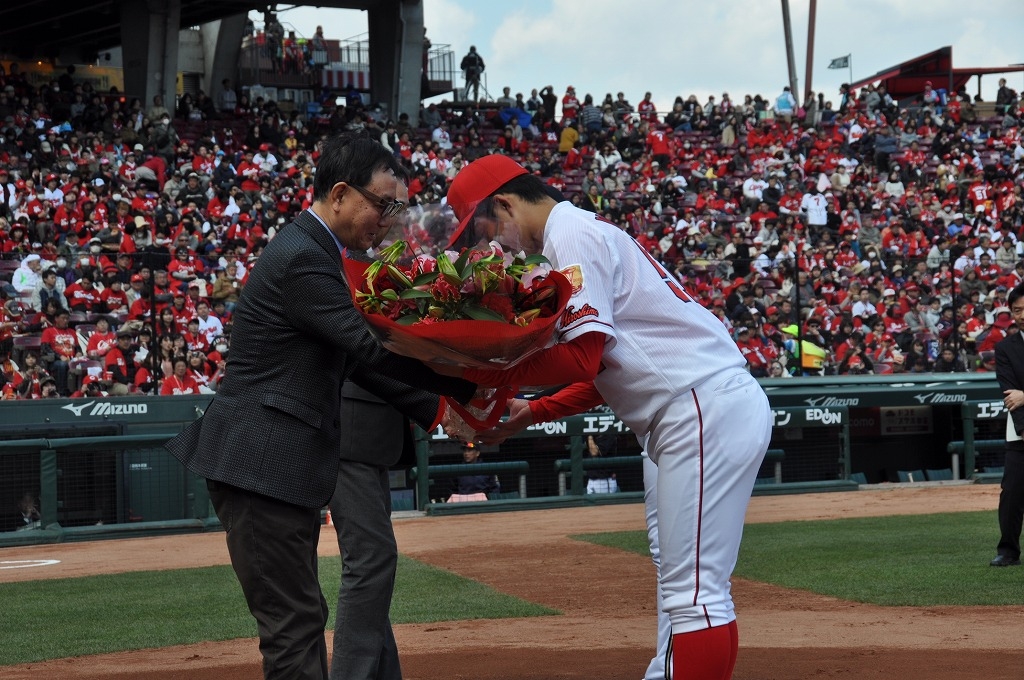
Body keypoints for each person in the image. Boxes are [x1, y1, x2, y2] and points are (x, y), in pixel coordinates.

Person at [444, 154, 772, 680]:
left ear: (504, 203)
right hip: (683, 410)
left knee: (696, 594)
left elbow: (582, 356)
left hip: (701, 405)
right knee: (681, 582)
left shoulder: (569, 234)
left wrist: (488, 374)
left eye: (484, 229)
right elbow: (608, 370)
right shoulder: (572, 235)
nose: (490, 246)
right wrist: (528, 413)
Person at [165, 135, 475, 680]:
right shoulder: (305, 258)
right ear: (338, 193)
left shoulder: (317, 251)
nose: (388, 218)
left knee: (298, 622)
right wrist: (475, 383)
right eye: (383, 204)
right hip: (260, 465)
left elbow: (359, 366)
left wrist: (439, 410)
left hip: (277, 469)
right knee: (294, 629)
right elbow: (371, 350)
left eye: (397, 206)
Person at [991, 284, 1024, 567]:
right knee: (1012, 492)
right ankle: (1008, 550)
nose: (1022, 315)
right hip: (1020, 432)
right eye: (1016, 310)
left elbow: (1021, 395)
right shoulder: (1005, 349)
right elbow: (1010, 396)